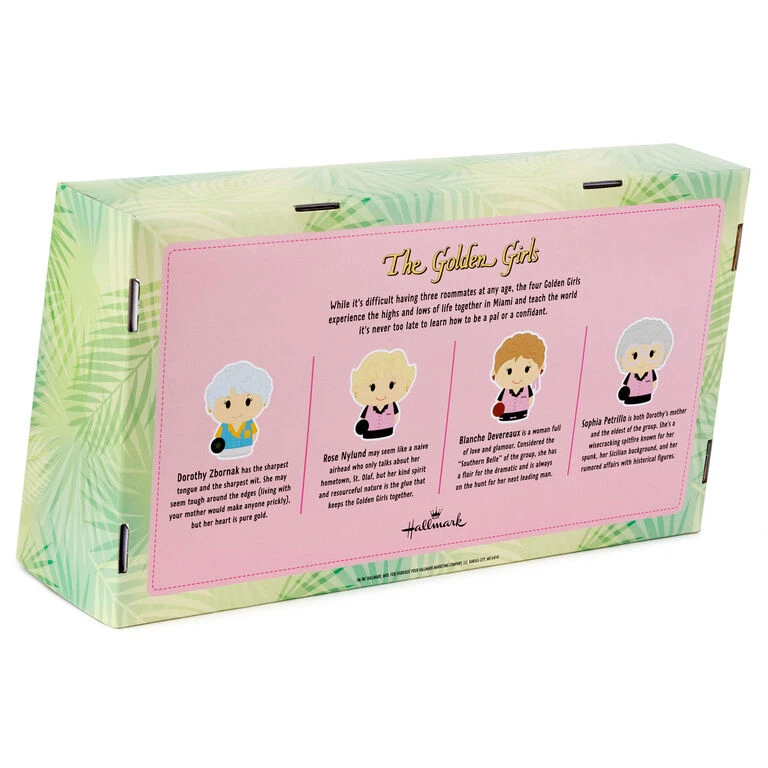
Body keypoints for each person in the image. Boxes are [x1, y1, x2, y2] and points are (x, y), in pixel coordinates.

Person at [204, 361, 273, 459]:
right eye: (227, 404)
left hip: (246, 449)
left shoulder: (249, 424)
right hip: (226, 451)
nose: (236, 411)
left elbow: (254, 434)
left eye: (248, 402)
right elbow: (218, 439)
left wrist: (251, 441)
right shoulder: (224, 427)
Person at [350, 349, 416, 440]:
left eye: (391, 385)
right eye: (372, 387)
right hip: (370, 433)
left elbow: (395, 416)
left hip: (388, 430)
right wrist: (362, 427)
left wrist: (392, 422)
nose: (381, 393)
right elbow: (363, 419)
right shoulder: (369, 408)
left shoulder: (392, 406)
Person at [615, 318, 673, 406]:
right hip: (631, 398)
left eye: (651, 354)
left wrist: (650, 389)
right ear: (621, 357)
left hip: (646, 396)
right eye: (634, 355)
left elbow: (654, 383)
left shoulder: (651, 373)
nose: (642, 363)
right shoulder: (631, 375)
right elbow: (625, 385)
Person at [490, 332, 546, 422]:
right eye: (509, 371)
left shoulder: (527, 389)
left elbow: (530, 399)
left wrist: (526, 405)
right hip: (506, 415)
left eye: (527, 369)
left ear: (540, 368)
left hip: (522, 413)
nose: (517, 378)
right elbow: (500, 402)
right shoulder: (505, 391)